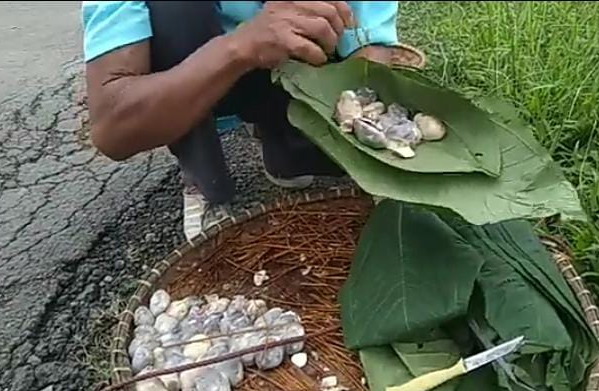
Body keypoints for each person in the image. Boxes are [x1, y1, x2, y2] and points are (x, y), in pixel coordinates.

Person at [81, 1, 400, 240]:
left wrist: (363, 120)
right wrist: (242, 47)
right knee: (173, 9)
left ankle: (288, 145)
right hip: (197, 68)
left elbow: (370, 50)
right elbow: (113, 127)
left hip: (291, 66)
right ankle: (205, 180)